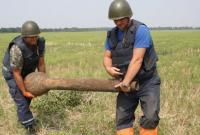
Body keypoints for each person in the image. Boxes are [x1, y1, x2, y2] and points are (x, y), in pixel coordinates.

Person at [103, 0, 161, 135]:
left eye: (121, 20)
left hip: (147, 82)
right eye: (115, 20)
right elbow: (107, 56)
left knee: (151, 117)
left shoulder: (141, 30)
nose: (118, 23)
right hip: (125, 82)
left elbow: (137, 60)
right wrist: (108, 68)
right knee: (122, 119)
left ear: (128, 16)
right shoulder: (112, 35)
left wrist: (126, 83)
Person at [2, 20, 46, 134]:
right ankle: (29, 128)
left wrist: (44, 82)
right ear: (24, 37)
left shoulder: (40, 43)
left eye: (36, 36)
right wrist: (24, 91)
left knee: (28, 96)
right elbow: (16, 73)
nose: (34, 40)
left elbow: (41, 63)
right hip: (12, 73)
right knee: (21, 98)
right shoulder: (17, 48)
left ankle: (23, 117)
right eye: (31, 38)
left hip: (27, 71)